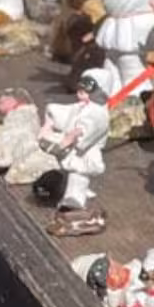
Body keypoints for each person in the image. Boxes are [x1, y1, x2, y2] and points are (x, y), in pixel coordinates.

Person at [41, 66, 115, 236]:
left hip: (87, 151)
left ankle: (74, 202)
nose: (80, 94)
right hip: (77, 148)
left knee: (77, 173)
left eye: (86, 91)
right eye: (80, 89)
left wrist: (69, 137)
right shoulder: (84, 107)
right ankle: (73, 192)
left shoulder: (98, 114)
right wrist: (52, 117)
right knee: (70, 171)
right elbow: (67, 112)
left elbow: (84, 132)